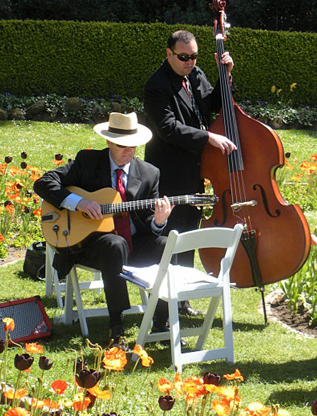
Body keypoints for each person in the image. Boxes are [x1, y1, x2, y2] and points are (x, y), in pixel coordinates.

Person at [34, 112, 173, 344]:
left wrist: (159, 220)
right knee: (114, 244)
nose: (128, 151)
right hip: (91, 246)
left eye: (133, 146)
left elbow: (150, 225)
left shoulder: (149, 173)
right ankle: (116, 325)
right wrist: (79, 203)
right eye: (122, 145)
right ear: (108, 142)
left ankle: (162, 322)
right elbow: (43, 183)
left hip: (133, 244)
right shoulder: (88, 162)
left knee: (165, 243)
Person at [143, 29, 236, 316]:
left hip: (195, 170)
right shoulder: (156, 85)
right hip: (168, 170)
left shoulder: (196, 75)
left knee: (189, 232)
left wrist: (226, 75)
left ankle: (181, 300)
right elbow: (168, 128)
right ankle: (163, 301)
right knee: (171, 235)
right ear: (168, 53)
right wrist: (208, 138)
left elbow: (215, 104)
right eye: (184, 57)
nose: (190, 62)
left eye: (194, 56)